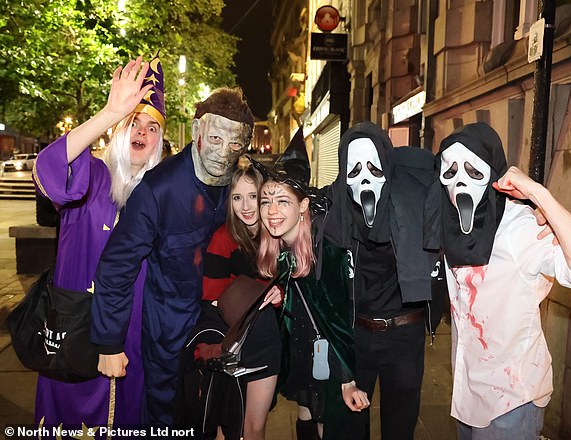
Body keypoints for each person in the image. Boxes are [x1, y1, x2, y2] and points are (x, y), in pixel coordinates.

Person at [434, 122, 571, 439]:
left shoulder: (517, 228)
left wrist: (540, 195)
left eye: (472, 170)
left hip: (511, 403)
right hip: (466, 394)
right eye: (449, 171)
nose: (460, 182)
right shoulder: (446, 224)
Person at [91, 86, 255, 425]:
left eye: (236, 144)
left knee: (214, 415)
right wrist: (108, 341)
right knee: (166, 418)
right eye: (215, 139)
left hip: (222, 326)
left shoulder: (237, 187)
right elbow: (118, 264)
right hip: (167, 329)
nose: (224, 152)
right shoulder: (157, 189)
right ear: (196, 132)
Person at [32, 55, 165, 433]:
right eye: (132, 123)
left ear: (159, 140)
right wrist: (110, 112)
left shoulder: (161, 196)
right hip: (74, 338)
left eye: (151, 127)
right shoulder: (90, 175)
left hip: (134, 346)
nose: (141, 132)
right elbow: (46, 170)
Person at [322, 121, 441, 440]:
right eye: (354, 169)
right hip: (356, 335)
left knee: (400, 428)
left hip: (404, 335)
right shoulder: (338, 216)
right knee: (349, 427)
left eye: (374, 168)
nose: (364, 179)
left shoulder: (413, 208)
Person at [254, 152, 370, 440]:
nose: (271, 211)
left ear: (303, 205)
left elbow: (338, 317)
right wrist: (282, 295)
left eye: (283, 202)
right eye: (266, 202)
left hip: (329, 356)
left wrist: (347, 380)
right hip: (302, 352)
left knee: (326, 422)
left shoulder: (325, 251)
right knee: (305, 413)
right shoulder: (279, 247)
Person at [199, 158, 282, 439]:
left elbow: (293, 288)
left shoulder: (277, 234)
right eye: (237, 197)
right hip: (231, 343)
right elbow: (211, 294)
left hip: (267, 342)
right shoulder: (222, 238)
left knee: (255, 426)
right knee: (227, 425)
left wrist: (280, 295)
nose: (246, 206)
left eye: (252, 196)